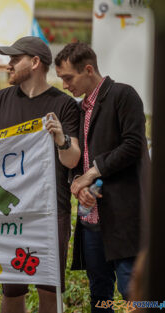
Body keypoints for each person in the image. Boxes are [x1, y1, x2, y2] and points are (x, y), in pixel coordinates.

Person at [0, 36, 81, 313]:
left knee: (50, 287)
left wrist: (61, 138)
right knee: (12, 290)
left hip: (49, 211)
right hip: (6, 210)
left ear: (35, 62)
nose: (8, 65)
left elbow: (73, 160)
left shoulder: (65, 105)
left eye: (14, 59)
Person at [55, 42, 149, 312]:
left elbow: (134, 145)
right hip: (91, 216)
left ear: (88, 69)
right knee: (99, 291)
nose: (64, 85)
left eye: (68, 78)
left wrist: (92, 173)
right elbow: (79, 154)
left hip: (124, 215)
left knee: (133, 290)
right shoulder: (79, 107)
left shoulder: (123, 94)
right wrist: (78, 181)